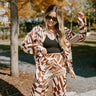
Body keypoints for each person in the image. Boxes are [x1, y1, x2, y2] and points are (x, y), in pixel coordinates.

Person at [21, 5, 87, 96]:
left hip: (60, 65)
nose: (51, 20)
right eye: (49, 17)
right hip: (43, 66)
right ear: (45, 15)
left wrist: (82, 21)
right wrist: (38, 49)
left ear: (58, 19)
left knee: (60, 94)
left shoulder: (63, 31)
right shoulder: (38, 30)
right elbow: (24, 45)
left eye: (54, 18)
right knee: (37, 93)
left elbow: (81, 38)